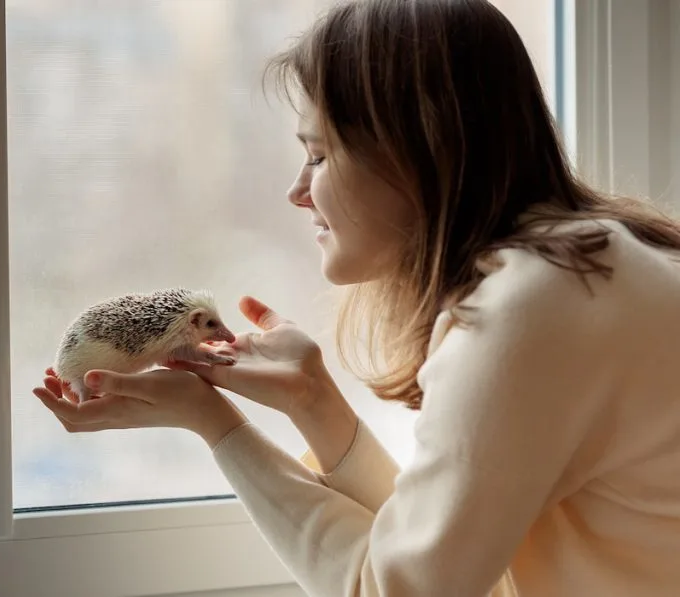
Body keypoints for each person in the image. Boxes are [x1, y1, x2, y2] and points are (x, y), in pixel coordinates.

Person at [33, 0, 680, 595]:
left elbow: (394, 590)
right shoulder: (594, 267)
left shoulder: (530, 312)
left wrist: (215, 423)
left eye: (318, 154)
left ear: (412, 150)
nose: (297, 190)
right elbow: (447, 560)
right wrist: (313, 400)